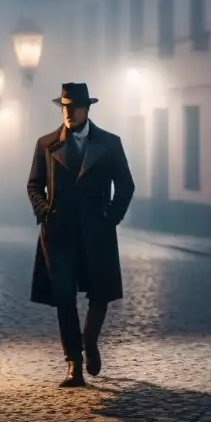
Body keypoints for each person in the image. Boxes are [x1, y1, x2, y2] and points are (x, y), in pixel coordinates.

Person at [26, 82, 135, 387]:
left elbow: (126, 185)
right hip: (59, 233)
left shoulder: (110, 144)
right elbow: (33, 184)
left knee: (100, 292)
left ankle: (90, 342)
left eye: (73, 107)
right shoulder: (46, 144)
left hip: (96, 231)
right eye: (64, 107)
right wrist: (44, 212)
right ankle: (73, 363)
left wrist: (110, 218)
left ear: (87, 109)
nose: (68, 113)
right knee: (64, 297)